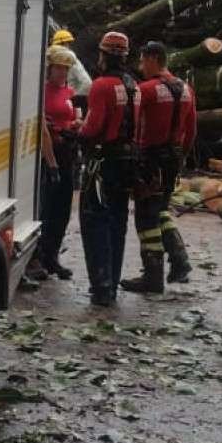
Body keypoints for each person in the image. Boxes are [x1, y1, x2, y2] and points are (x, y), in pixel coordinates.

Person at [123, 41, 197, 294]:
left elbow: (131, 125)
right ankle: (179, 259)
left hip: (149, 159)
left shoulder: (146, 90)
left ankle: (153, 276)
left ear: (153, 58)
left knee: (146, 217)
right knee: (161, 209)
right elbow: (192, 129)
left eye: (142, 61)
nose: (140, 66)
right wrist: (182, 156)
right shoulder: (186, 89)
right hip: (173, 157)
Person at [76, 31, 139, 307]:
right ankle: (111, 282)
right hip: (127, 161)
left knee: (95, 221)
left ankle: (101, 287)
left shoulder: (101, 86)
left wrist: (75, 132)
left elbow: (93, 127)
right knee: (118, 222)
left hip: (102, 163)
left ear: (104, 55)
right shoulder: (133, 86)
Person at [26, 45, 82, 283]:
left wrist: (77, 124)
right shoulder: (41, 92)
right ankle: (35, 256)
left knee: (62, 210)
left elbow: (77, 115)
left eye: (66, 68)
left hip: (67, 153)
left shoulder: (70, 92)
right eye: (59, 68)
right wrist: (51, 163)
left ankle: (52, 256)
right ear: (50, 68)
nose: (62, 72)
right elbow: (40, 127)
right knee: (44, 208)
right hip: (48, 155)